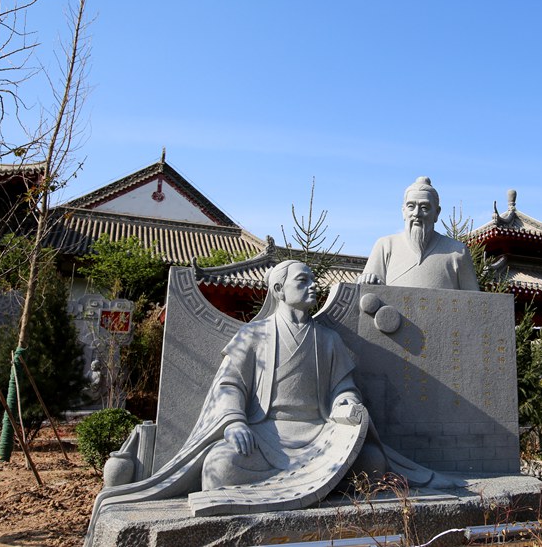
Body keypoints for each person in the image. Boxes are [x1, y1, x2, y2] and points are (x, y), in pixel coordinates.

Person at [87, 260, 453, 539]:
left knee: (373, 463)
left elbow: (344, 387)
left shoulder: (328, 340)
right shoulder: (254, 335)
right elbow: (229, 385)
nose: (313, 286)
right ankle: (308, 486)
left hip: (319, 436)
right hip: (266, 436)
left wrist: (345, 403)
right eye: (303, 281)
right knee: (219, 467)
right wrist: (234, 423)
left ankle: (302, 485)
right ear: (279, 289)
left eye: (312, 280)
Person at [358, 177, 480, 290]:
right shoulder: (385, 245)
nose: (416, 213)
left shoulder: (457, 251)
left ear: (436, 213)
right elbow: (367, 293)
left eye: (424, 207)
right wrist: (367, 280)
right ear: (403, 211)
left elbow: (473, 299)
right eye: (411, 206)